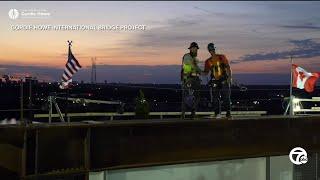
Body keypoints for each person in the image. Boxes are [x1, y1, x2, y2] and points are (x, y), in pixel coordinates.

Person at [203, 43, 232, 118]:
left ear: (214, 49)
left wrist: (229, 77)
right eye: (210, 49)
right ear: (209, 50)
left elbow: (228, 67)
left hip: (223, 80)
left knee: (226, 97)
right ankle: (217, 113)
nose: (211, 50)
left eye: (212, 48)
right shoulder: (208, 61)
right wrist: (197, 71)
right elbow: (206, 72)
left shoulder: (222, 57)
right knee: (215, 98)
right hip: (214, 81)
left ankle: (228, 112)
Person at [181, 42, 202, 119]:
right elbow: (187, 67)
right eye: (193, 48)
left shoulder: (196, 59)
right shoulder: (187, 56)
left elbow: (197, 69)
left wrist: (201, 72)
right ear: (190, 49)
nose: (195, 50)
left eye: (196, 49)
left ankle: (193, 112)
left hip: (195, 79)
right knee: (186, 96)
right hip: (189, 79)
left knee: (197, 96)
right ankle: (183, 115)